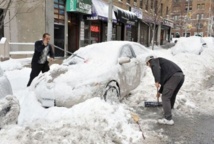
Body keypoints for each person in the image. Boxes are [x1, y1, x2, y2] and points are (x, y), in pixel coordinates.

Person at [145, 56, 185, 125]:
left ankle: (168, 119)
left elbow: (155, 67)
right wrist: (159, 92)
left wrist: (156, 80)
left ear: (148, 62)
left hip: (174, 77)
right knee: (171, 95)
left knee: (165, 97)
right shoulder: (161, 64)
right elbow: (166, 83)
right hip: (180, 76)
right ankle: (170, 109)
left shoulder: (154, 61)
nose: (149, 67)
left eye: (148, 65)